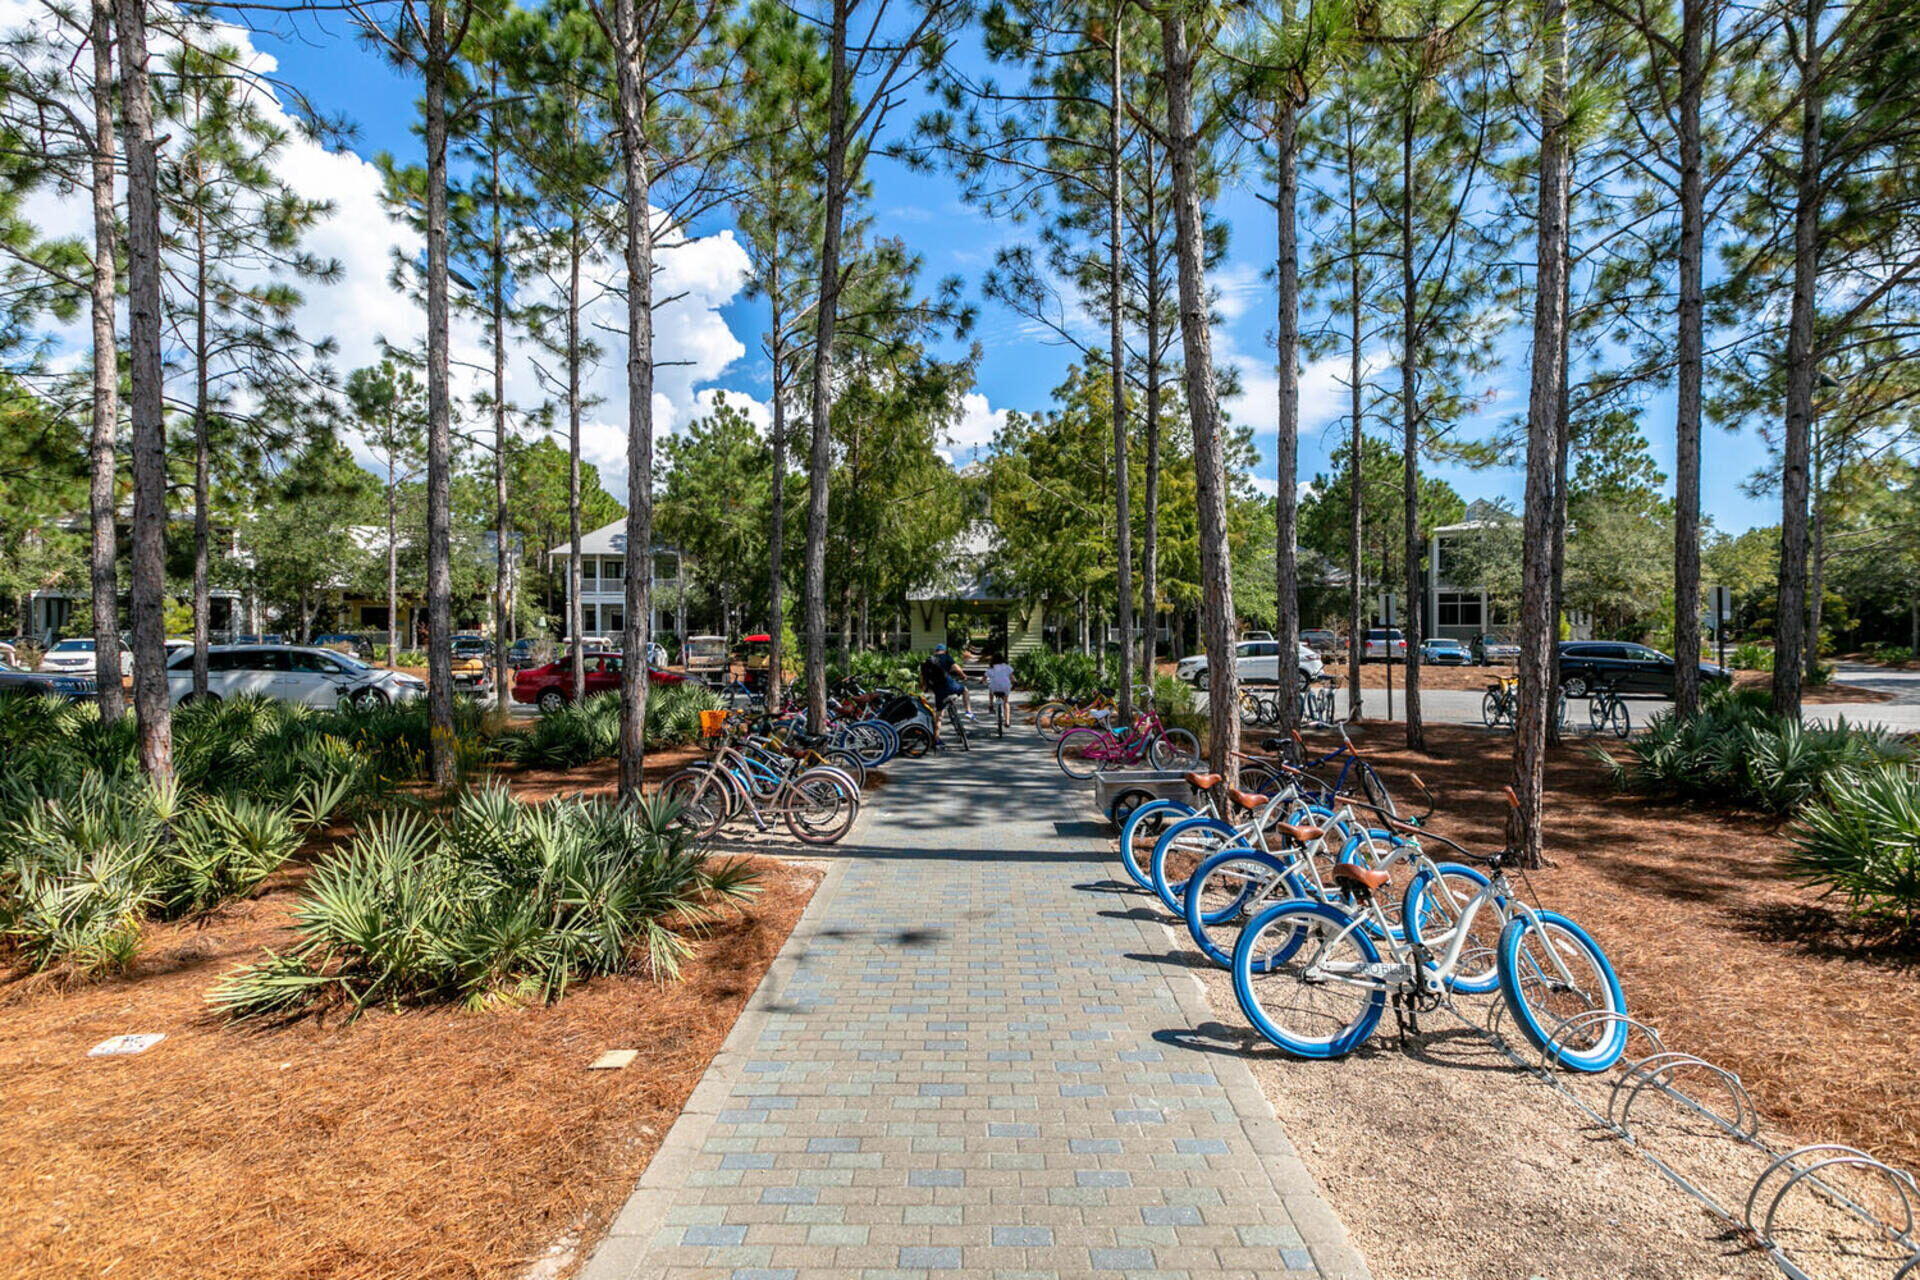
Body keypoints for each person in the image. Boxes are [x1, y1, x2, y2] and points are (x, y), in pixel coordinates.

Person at [984, 651, 1014, 733]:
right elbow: (1012, 678)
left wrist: (981, 681)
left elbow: (984, 677)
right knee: (1006, 702)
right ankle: (1007, 721)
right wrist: (1015, 682)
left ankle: (990, 704)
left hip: (995, 687)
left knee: (990, 690)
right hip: (1005, 687)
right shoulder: (1007, 667)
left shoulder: (991, 668)